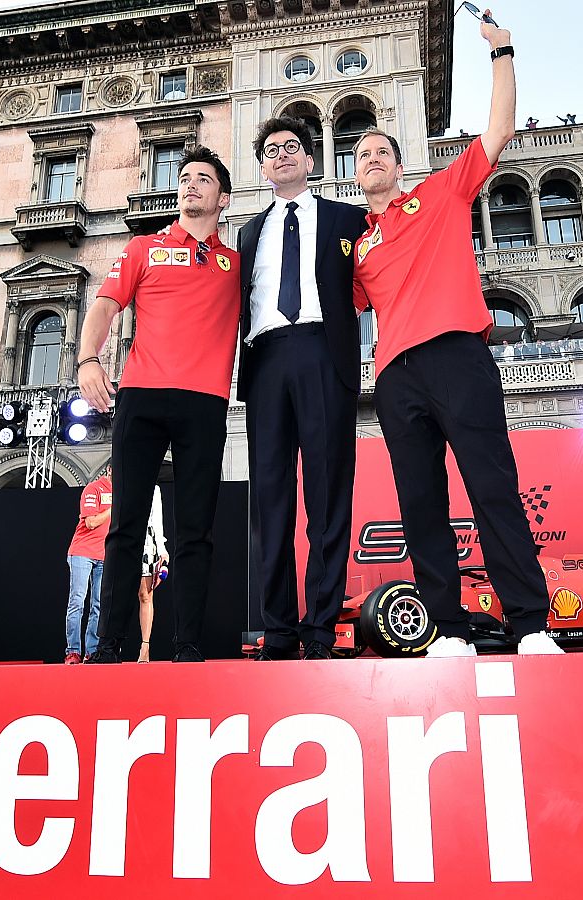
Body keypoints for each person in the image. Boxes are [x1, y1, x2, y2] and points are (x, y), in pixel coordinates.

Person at [350, 10, 562, 658]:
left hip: (457, 357)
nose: (372, 160)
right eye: (362, 156)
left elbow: (499, 129)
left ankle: (530, 625)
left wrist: (502, 51)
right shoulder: (357, 245)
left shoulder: (441, 194)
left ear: (398, 166)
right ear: (355, 173)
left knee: (491, 488)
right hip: (395, 378)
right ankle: (448, 629)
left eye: (381, 152)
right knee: (420, 505)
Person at [76, 145, 240, 664]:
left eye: (203, 179)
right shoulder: (143, 247)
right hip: (141, 397)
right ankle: (108, 647)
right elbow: (104, 306)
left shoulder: (236, 264)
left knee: (195, 532)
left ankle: (187, 647)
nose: (190, 183)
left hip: (205, 403)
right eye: (185, 176)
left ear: (223, 198)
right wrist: (87, 360)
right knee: (125, 524)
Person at [238, 115, 368, 662]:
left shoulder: (348, 218)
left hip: (324, 354)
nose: (283, 155)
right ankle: (277, 632)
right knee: (270, 501)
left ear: (311, 160)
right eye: (271, 150)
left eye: (292, 147)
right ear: (263, 168)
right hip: (265, 360)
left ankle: (319, 630)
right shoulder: (248, 233)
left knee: (328, 498)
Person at [64, 463, 112, 664]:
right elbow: (91, 522)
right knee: (77, 601)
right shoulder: (94, 488)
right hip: (82, 552)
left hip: (105, 554)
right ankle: (73, 651)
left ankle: (91, 652)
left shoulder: (123, 492)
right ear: (109, 470)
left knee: (98, 604)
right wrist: (114, 507)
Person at [136, 483, 168, 662]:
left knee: (145, 595)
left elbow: (157, 520)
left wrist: (162, 549)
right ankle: (111, 645)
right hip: (124, 540)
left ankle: (145, 646)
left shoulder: (154, 489)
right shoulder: (121, 485)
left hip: (147, 542)